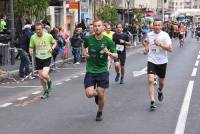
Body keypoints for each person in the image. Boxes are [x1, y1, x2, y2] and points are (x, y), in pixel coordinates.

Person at [83, 19, 117, 121]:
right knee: (89, 94)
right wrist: (85, 53)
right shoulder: (88, 39)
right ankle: (96, 94)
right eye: (95, 26)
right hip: (90, 70)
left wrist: (109, 53)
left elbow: (115, 55)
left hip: (102, 70)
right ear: (93, 27)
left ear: (103, 28)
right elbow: (84, 47)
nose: (97, 28)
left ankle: (99, 112)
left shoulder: (108, 40)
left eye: (99, 26)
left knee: (101, 93)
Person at [142, 18, 172, 111]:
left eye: (159, 25)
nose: (157, 27)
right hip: (151, 60)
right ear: (153, 26)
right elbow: (145, 41)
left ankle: (159, 90)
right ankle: (152, 101)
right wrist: (146, 48)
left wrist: (160, 45)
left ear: (161, 26)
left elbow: (170, 49)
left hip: (162, 61)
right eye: (155, 25)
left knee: (161, 82)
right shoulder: (149, 34)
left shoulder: (165, 35)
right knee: (151, 80)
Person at [29, 22, 57, 99]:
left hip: (47, 57)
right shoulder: (33, 37)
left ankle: (49, 82)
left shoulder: (48, 36)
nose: (38, 31)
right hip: (38, 58)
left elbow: (55, 43)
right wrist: (30, 50)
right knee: (41, 78)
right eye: (36, 29)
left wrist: (52, 48)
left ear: (42, 29)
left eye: (39, 29)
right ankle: (46, 91)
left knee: (44, 75)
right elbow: (31, 46)